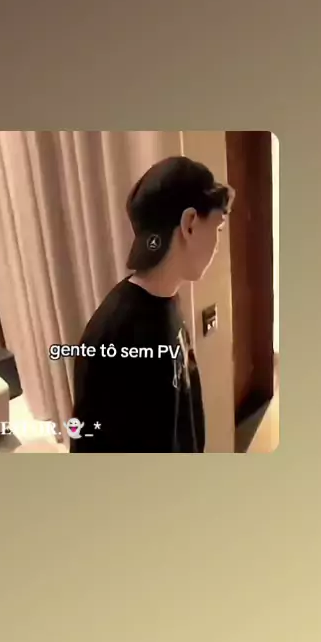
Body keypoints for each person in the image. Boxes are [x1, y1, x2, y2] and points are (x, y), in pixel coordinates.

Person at [69, 156, 234, 453]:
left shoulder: (168, 299)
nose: (218, 244)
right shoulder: (111, 339)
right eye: (218, 229)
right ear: (190, 224)